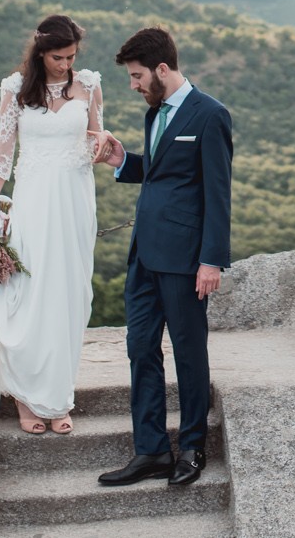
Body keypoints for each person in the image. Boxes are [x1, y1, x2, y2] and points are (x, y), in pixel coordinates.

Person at [0, 13, 101, 434]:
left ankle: (57, 396)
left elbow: (94, 138)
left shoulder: (89, 84)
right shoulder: (15, 90)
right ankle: (27, 397)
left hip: (75, 202)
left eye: (70, 57)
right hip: (31, 200)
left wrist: (103, 144)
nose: (65, 65)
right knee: (27, 297)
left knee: (68, 295)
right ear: (40, 51)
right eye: (57, 57)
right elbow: (3, 151)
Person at [91, 25, 232, 488]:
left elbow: (217, 192)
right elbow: (158, 174)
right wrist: (122, 161)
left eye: (136, 77)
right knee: (141, 350)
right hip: (144, 256)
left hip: (187, 260)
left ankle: (191, 447)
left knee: (189, 354)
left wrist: (211, 260)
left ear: (162, 69)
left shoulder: (210, 115)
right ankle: (150, 450)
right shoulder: (155, 115)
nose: (133, 86)